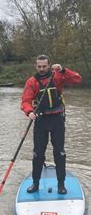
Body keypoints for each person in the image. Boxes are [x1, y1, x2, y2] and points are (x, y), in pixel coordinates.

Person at [21, 55, 81, 194]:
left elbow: (77, 79)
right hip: (41, 121)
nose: (41, 69)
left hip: (57, 120)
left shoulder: (57, 76)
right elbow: (25, 101)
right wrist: (29, 112)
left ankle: (61, 184)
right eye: (39, 66)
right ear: (36, 66)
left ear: (49, 65)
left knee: (59, 153)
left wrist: (63, 70)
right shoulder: (32, 82)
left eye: (44, 66)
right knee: (38, 154)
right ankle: (35, 183)